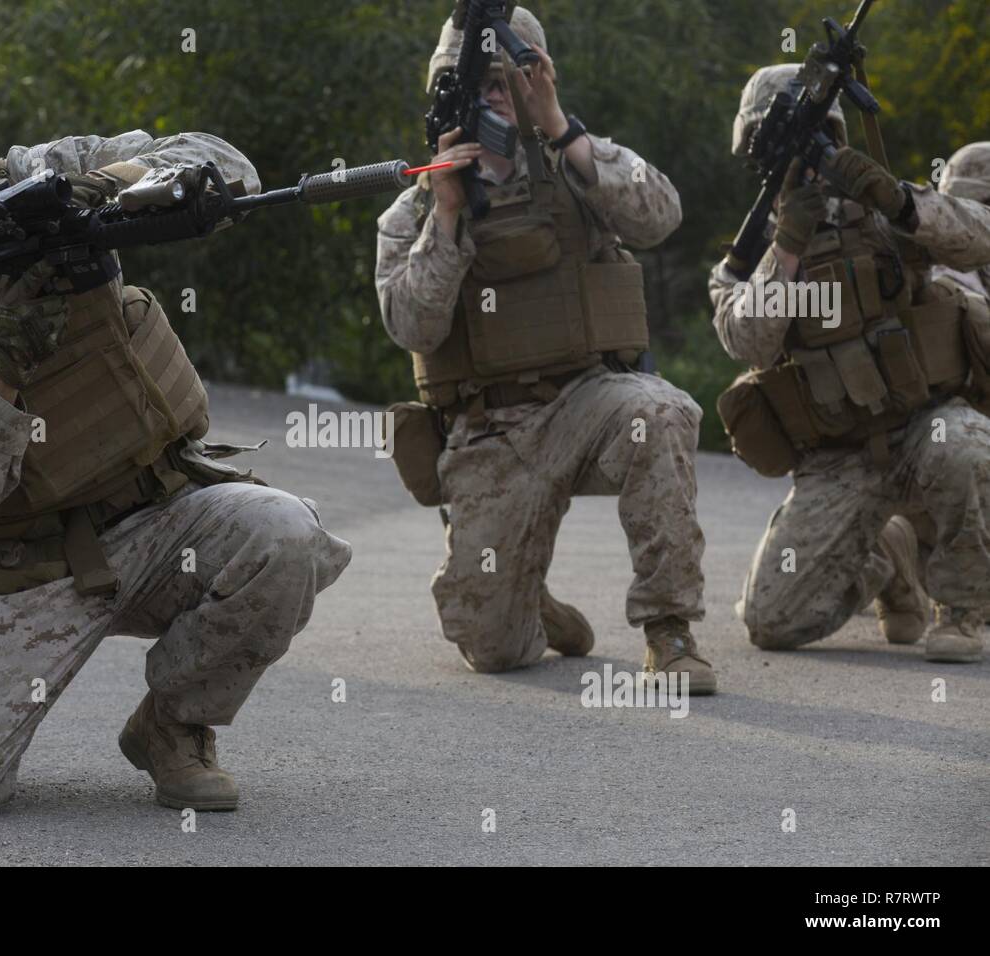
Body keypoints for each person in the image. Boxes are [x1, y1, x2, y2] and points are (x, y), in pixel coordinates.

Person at [0, 35, 352, 815]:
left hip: (159, 516)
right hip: (18, 561)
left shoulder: (44, 174)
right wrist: (5, 364)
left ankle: (173, 726)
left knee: (285, 536)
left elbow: (223, 161)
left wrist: (109, 187)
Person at [374, 6, 715, 693]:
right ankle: (526, 599)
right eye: (473, 87)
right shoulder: (413, 212)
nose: (490, 99)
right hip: (490, 429)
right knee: (493, 649)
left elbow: (661, 215)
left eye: (505, 83)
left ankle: (669, 629)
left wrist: (561, 129)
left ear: (537, 82)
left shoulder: (577, 163)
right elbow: (414, 328)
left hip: (589, 401)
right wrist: (447, 213)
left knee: (662, 410)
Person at [709, 65, 990, 663]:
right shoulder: (749, 253)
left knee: (966, 445)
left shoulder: (887, 211)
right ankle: (888, 558)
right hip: (837, 459)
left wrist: (900, 201)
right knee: (771, 621)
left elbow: (979, 237)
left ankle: (963, 612)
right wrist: (786, 245)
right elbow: (749, 342)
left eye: (819, 144)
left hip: (922, 427)